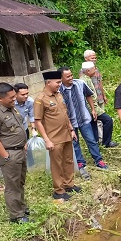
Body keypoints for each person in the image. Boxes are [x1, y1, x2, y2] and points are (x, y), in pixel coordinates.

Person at [0, 83, 30, 223]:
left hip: (20, 151)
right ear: (0, 99)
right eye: (11, 97)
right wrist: (6, 156)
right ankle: (16, 216)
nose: (14, 99)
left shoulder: (11, 109)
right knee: (12, 186)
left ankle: (21, 207)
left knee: (20, 182)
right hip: (9, 154)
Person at [34, 71, 81, 201]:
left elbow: (65, 114)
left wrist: (71, 130)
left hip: (66, 134)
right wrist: (46, 139)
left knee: (68, 160)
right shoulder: (41, 99)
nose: (60, 85)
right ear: (48, 82)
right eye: (58, 82)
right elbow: (38, 121)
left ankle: (69, 184)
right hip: (54, 138)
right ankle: (59, 190)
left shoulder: (59, 95)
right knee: (57, 164)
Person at [58, 67, 108, 181]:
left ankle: (98, 160)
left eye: (71, 75)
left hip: (84, 118)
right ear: (61, 78)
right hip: (70, 122)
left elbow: (88, 95)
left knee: (91, 140)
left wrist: (93, 110)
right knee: (75, 143)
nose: (71, 78)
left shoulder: (80, 83)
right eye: (68, 76)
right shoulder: (59, 90)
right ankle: (80, 163)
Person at [81, 51, 118, 148]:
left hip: (96, 103)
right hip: (92, 107)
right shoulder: (84, 80)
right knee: (108, 120)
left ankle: (97, 143)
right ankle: (106, 142)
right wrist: (92, 109)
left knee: (94, 124)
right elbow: (87, 97)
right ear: (88, 71)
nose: (95, 70)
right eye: (93, 69)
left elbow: (100, 83)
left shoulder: (88, 77)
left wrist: (103, 95)